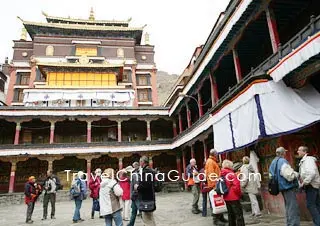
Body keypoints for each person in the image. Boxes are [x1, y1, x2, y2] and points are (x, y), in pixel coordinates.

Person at [269, 147, 300, 226]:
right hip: (288, 187)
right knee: (292, 207)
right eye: (285, 152)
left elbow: (271, 175)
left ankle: (289, 223)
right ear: (283, 153)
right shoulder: (283, 161)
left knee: (288, 206)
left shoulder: (273, 162)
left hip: (280, 187)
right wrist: (296, 174)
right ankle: (293, 224)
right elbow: (289, 175)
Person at [297, 146, 320, 226]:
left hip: (311, 185)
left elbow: (312, 173)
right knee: (316, 204)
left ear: (305, 152)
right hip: (311, 185)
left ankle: (317, 223)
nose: (297, 152)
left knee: (311, 205)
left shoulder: (308, 160)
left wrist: (304, 183)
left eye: (299, 150)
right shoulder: (304, 161)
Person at [205, 149, 228, 224]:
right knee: (215, 202)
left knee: (219, 201)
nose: (218, 155)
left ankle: (221, 217)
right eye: (217, 154)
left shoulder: (213, 161)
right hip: (214, 185)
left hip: (217, 184)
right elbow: (212, 175)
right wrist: (214, 185)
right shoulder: (210, 162)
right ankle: (216, 220)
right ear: (214, 154)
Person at [220, 159, 245, 226]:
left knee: (230, 214)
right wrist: (240, 195)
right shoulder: (231, 174)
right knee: (238, 214)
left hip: (226, 196)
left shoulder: (222, 174)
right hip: (234, 197)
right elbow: (236, 187)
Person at [134, 156, 156, 226]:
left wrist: (137, 187)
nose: (140, 163)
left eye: (140, 161)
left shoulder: (146, 171)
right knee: (150, 218)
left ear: (143, 162)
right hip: (151, 196)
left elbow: (145, 186)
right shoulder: (151, 170)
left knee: (147, 220)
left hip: (146, 198)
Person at [127, 162, 141, 226]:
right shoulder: (134, 174)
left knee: (140, 210)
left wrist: (133, 193)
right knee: (134, 211)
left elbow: (135, 185)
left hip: (136, 195)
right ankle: (131, 224)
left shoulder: (136, 174)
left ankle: (147, 222)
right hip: (134, 195)